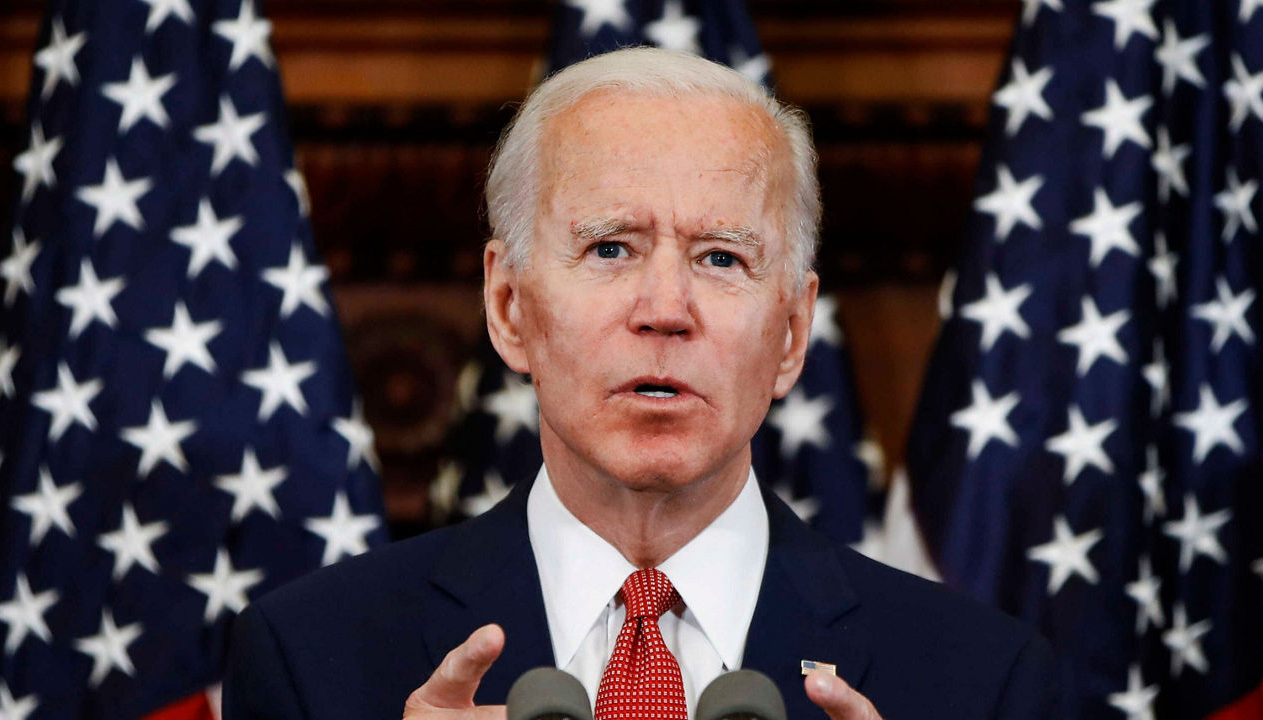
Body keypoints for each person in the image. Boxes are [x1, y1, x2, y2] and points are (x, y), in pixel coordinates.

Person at [222, 47, 1057, 720]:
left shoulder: (983, 683)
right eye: (611, 249)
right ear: (509, 307)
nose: (666, 310)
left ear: (792, 334)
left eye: (721, 258)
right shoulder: (310, 659)